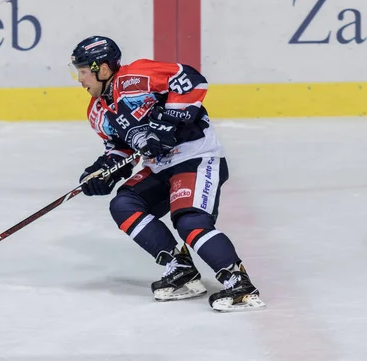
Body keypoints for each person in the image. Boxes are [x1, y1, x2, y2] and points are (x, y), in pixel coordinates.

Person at [71, 36, 265, 311]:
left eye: (83, 71)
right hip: (159, 167)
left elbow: (192, 80)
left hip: (196, 156)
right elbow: (120, 149)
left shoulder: (136, 77)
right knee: (124, 204)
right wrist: (103, 172)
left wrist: (167, 125)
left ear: (103, 69)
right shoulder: (97, 112)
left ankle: (240, 285)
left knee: (189, 221)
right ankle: (181, 269)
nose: (79, 79)